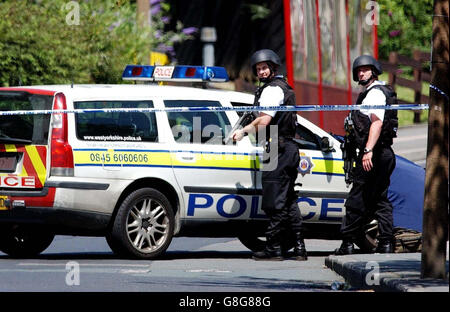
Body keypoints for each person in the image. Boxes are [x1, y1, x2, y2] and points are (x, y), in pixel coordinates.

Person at [232, 49, 307, 261]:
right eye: (258, 69)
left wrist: (243, 131)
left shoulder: (272, 90)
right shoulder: (283, 88)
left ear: (273, 67)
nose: (261, 72)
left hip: (276, 147)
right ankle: (299, 246)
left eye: (264, 68)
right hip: (286, 147)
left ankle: (274, 247)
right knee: (288, 199)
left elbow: (264, 121)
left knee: (275, 202)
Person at [335, 55, 396, 255]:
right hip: (383, 152)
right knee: (380, 199)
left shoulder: (375, 94)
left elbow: (376, 122)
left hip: (374, 154)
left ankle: (348, 244)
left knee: (356, 199)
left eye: (366, 69)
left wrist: (368, 150)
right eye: (359, 70)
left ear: (374, 70)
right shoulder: (374, 92)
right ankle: (386, 243)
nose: (361, 73)